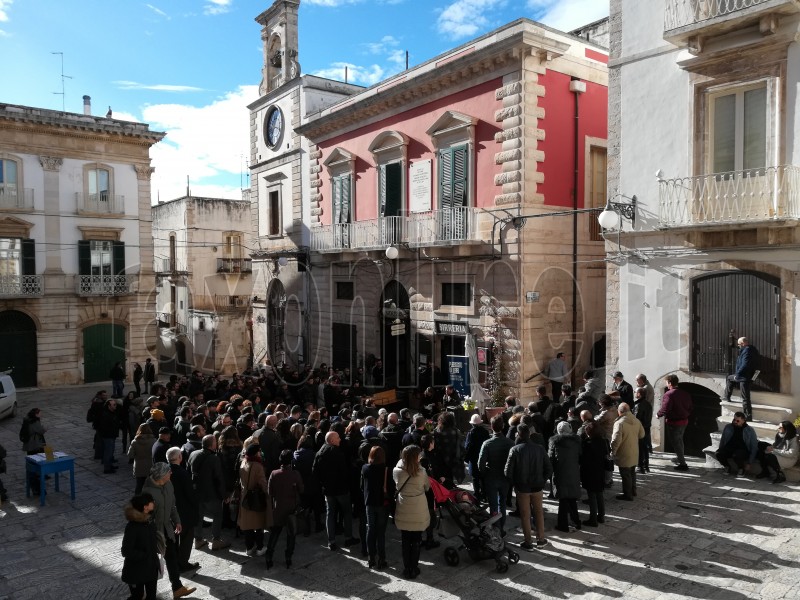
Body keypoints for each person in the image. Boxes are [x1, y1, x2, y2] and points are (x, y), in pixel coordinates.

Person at [141, 463, 196, 599]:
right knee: (150, 564)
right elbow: (144, 516)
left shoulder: (169, 485)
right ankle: (141, 592)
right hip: (154, 533)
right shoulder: (147, 492)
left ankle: (177, 588)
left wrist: (177, 521)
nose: (171, 473)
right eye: (168, 472)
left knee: (172, 557)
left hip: (167, 529)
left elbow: (172, 505)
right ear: (161, 476)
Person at [504, 423, 551, 550]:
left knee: (525, 515)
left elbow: (507, 472)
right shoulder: (540, 448)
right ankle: (541, 540)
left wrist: (515, 483)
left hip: (522, 488)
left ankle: (528, 542)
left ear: (518, 435)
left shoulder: (515, 449)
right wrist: (542, 481)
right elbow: (549, 468)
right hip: (537, 487)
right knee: (538, 513)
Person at [312, 430, 358, 550]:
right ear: (332, 440)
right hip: (341, 490)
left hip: (328, 490)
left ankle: (331, 541)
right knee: (347, 512)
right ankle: (348, 538)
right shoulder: (338, 453)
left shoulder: (320, 453)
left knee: (330, 514)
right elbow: (344, 473)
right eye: (337, 438)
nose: (340, 439)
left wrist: (322, 485)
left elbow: (315, 472)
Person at [393, 444, 430, 579]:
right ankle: (414, 567)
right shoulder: (421, 472)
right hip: (418, 505)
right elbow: (427, 487)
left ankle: (406, 567)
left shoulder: (396, 471)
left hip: (403, 504)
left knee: (405, 539)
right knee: (416, 539)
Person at [187, 434, 230, 551]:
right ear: (212, 445)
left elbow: (188, 473)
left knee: (199, 516)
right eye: (215, 442)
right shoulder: (214, 458)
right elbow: (219, 479)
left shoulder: (193, 454)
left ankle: (198, 540)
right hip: (211, 494)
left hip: (196, 492)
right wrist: (224, 495)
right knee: (217, 515)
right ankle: (216, 540)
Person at [266, 449, 304, 568]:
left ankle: (269, 555)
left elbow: (270, 492)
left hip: (278, 508)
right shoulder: (295, 474)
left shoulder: (274, 474)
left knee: (275, 533)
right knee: (291, 534)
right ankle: (288, 557)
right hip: (291, 508)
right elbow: (302, 490)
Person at [478, 415, 514, 536]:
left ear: (491, 427)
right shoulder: (510, 443)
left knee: (494, 506)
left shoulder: (487, 443)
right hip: (505, 478)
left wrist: (485, 473)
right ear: (503, 426)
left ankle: (496, 528)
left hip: (491, 477)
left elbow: (480, 465)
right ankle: (501, 528)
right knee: (502, 504)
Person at [166, 447, 200, 573]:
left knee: (173, 538)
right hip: (183, 511)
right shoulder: (182, 473)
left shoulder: (164, 471)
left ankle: (175, 562)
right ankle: (183, 563)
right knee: (186, 538)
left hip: (169, 511)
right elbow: (189, 494)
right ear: (179, 457)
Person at [120, 493, 160, 600]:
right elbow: (126, 551)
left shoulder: (149, 521)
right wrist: (144, 555)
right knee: (137, 596)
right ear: (145, 507)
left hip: (151, 568)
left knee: (151, 597)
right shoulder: (132, 527)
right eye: (151, 501)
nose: (154, 503)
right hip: (136, 570)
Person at [549, 420, 582, 533]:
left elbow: (551, 459)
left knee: (563, 500)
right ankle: (576, 521)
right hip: (573, 472)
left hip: (560, 473)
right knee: (572, 498)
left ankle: (563, 524)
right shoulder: (577, 442)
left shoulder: (555, 443)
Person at [238, 443, 270, 558]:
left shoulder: (243, 463)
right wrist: (268, 494)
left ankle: (249, 547)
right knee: (259, 524)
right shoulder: (258, 466)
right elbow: (263, 483)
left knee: (248, 525)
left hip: (245, 497)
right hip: (256, 498)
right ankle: (260, 547)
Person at [361, 445, 390, 569]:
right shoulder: (386, 470)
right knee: (381, 532)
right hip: (382, 503)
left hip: (369, 502)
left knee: (370, 529)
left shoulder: (365, 468)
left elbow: (361, 486)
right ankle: (381, 559)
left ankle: (371, 557)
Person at [657, 374, 693, 471]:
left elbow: (665, 409)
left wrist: (658, 415)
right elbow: (690, 408)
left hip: (674, 423)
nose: (666, 385)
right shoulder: (685, 394)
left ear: (669, 383)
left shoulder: (669, 394)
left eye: (666, 383)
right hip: (684, 421)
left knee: (676, 442)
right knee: (680, 441)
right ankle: (680, 457)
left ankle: (683, 464)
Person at [610, 403, 644, 501]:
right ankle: (633, 490)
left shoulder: (619, 423)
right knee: (632, 472)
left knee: (625, 474)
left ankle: (627, 494)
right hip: (634, 451)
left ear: (620, 411)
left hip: (624, 452)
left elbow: (616, 440)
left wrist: (613, 452)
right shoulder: (636, 420)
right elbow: (642, 435)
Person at [723, 337, 760, 421]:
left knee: (745, 397)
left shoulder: (746, 351)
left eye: (739, 345)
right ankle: (727, 397)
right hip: (751, 375)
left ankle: (748, 416)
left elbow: (745, 364)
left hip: (744, 376)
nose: (739, 346)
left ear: (743, 343)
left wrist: (738, 374)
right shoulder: (753, 349)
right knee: (730, 379)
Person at [579, 422, 608, 527]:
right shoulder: (603, 441)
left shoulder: (587, 443)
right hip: (600, 470)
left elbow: (583, 459)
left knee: (592, 495)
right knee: (599, 493)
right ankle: (601, 516)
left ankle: (593, 519)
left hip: (590, 472)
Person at [716, 412, 758, 476]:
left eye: (737, 420)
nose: (735, 422)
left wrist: (749, 462)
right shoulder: (728, 427)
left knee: (737, 455)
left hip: (742, 450)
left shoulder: (749, 430)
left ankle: (741, 468)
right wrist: (721, 449)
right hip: (730, 448)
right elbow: (723, 440)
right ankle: (727, 466)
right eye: (734, 419)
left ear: (743, 420)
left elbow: (754, 446)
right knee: (718, 453)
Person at [464, 413, 490, 502]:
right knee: (483, 477)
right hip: (483, 458)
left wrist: (466, 459)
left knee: (475, 478)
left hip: (473, 459)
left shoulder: (471, 433)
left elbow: (467, 447)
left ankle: (477, 495)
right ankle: (485, 494)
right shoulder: (485, 432)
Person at [22, 407, 46, 494]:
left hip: (29, 445)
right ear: (36, 414)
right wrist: (44, 428)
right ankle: (36, 485)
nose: (41, 415)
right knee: (36, 463)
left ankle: (33, 477)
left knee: (31, 461)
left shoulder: (27, 419)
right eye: (40, 413)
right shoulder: (34, 421)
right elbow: (40, 431)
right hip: (34, 444)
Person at [128, 424, 155, 494]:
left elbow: (130, 455)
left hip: (139, 466)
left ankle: (137, 500)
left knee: (139, 485)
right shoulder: (153, 441)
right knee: (150, 485)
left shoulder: (135, 442)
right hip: (150, 466)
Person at [632, 387, 653, 474]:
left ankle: (640, 467)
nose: (634, 394)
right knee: (645, 448)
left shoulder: (638, 405)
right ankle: (646, 466)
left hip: (640, 429)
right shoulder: (648, 404)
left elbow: (636, 419)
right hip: (646, 428)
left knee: (640, 448)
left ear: (639, 394)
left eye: (635, 392)